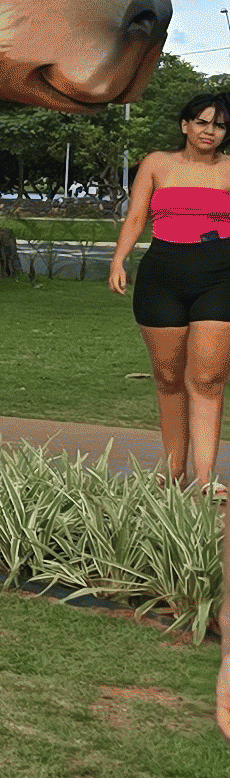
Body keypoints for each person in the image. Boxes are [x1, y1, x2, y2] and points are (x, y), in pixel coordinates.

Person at [108, 85, 230, 489]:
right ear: (185, 125)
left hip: (220, 276)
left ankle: (206, 477)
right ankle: (174, 471)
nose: (210, 131)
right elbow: (136, 216)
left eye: (219, 126)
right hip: (162, 276)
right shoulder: (157, 163)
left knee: (208, 379)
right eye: (202, 122)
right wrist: (119, 259)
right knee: (168, 378)